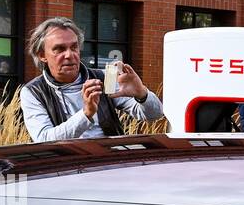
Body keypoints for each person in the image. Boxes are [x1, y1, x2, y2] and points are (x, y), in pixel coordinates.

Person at [20, 17, 164, 142]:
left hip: (109, 162)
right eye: (59, 49)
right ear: (42, 55)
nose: (69, 55)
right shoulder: (33, 92)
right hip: (66, 167)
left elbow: (155, 115)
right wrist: (86, 113)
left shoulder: (103, 77)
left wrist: (142, 94)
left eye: (74, 47)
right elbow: (44, 139)